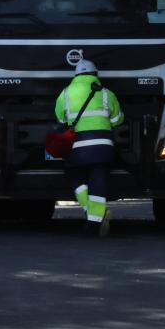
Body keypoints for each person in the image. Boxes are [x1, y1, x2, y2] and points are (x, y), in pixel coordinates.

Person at [54, 58, 124, 236]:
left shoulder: (66, 93)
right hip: (103, 147)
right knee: (98, 181)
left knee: (73, 174)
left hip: (78, 147)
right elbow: (117, 120)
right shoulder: (107, 94)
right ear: (95, 75)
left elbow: (61, 119)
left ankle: (91, 212)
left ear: (76, 75)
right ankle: (94, 223)